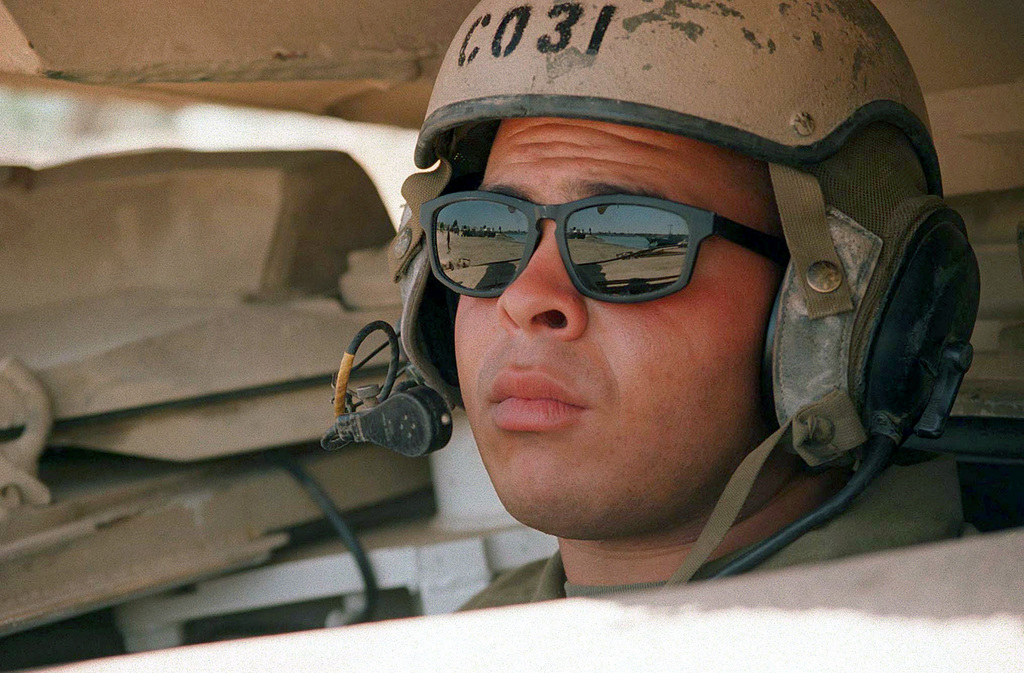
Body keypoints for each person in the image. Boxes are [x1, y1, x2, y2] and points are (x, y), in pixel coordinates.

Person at [385, 0, 979, 607]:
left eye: (629, 240)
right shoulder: (455, 645)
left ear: (846, 318)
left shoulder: (960, 637)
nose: (526, 297)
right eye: (485, 230)